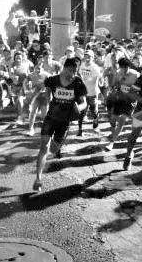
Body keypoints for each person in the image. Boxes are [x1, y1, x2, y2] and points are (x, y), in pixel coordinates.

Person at [33, 58, 87, 192]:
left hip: (65, 122)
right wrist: (43, 97)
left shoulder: (78, 83)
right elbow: (46, 91)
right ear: (64, 68)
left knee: (53, 149)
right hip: (51, 118)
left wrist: (79, 108)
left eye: (75, 71)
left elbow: (84, 103)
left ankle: (56, 149)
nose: (73, 74)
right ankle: (38, 179)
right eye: (71, 71)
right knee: (44, 147)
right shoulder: (52, 80)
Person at [105, 56, 138, 151]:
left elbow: (141, 88)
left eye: (126, 68)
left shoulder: (135, 75)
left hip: (130, 101)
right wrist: (112, 89)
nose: (124, 70)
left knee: (121, 121)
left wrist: (131, 89)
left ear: (129, 67)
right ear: (120, 67)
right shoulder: (118, 73)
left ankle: (111, 142)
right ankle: (114, 133)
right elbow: (114, 85)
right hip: (119, 99)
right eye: (122, 68)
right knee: (113, 118)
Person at [77, 49, 103, 136]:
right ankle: (80, 130)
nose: (87, 58)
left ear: (93, 58)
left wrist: (88, 79)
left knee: (94, 111)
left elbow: (99, 78)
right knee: (82, 112)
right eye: (86, 56)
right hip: (83, 93)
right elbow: (80, 75)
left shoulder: (95, 67)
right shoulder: (82, 65)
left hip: (92, 93)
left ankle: (95, 125)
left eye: (89, 57)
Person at [25, 57, 51, 136]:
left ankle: (47, 130)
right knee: (33, 112)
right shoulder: (31, 75)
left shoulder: (47, 75)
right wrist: (26, 90)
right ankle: (31, 129)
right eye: (36, 69)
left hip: (44, 97)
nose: (37, 70)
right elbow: (25, 82)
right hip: (35, 97)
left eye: (39, 69)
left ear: (43, 69)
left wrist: (49, 94)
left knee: (44, 115)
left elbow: (53, 85)